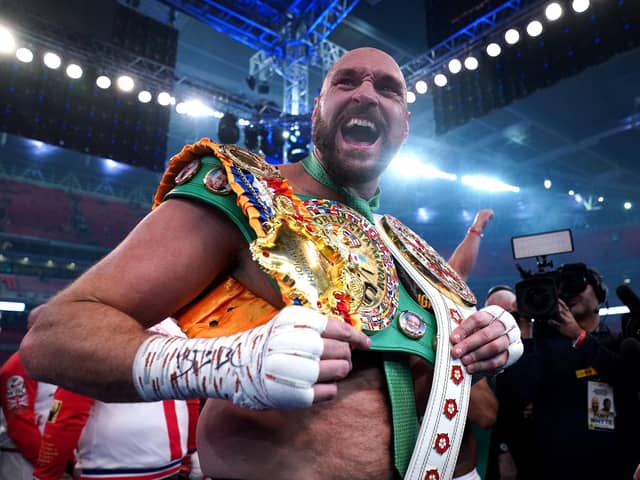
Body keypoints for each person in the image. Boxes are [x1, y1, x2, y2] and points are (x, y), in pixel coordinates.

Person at [20, 47, 522, 480]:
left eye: (389, 89)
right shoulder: (245, 194)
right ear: (316, 112)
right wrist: (226, 365)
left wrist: (489, 340)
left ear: (405, 127)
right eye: (345, 82)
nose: (367, 94)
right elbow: (54, 334)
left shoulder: (405, 245)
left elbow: (475, 400)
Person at [495, 263, 640, 479]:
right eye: (561, 288)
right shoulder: (542, 349)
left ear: (599, 293)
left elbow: (626, 379)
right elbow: (514, 395)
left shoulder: (621, 343)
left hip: (614, 465)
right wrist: (525, 328)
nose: (570, 293)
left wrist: (578, 336)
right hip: (552, 467)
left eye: (577, 284)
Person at [32, 319, 202, 480]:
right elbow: (190, 398)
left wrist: (46, 473)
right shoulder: (175, 331)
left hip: (111, 466)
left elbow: (67, 412)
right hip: (170, 464)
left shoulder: (94, 331)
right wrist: (191, 452)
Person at [0, 351, 58, 480]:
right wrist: (50, 466)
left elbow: (55, 412)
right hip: (22, 465)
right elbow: (20, 426)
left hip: (52, 460)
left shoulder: (57, 361)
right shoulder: (21, 365)